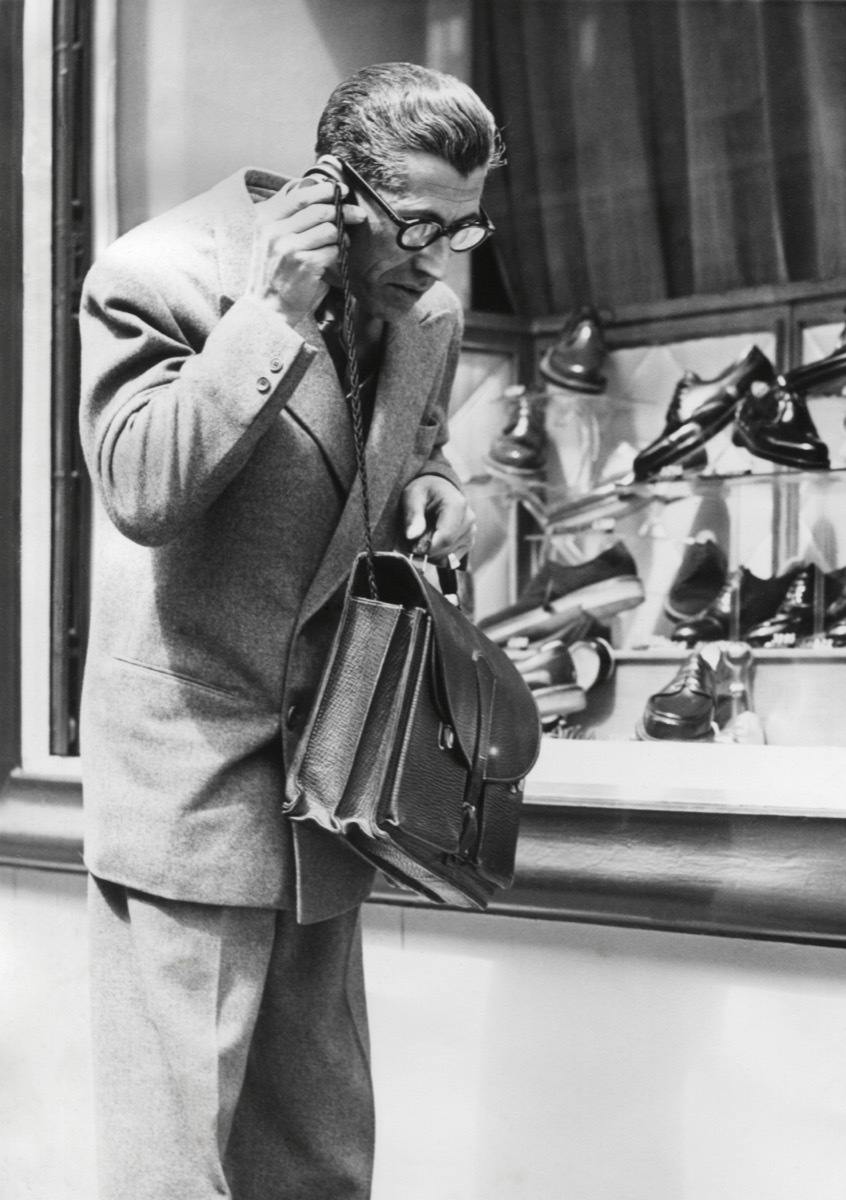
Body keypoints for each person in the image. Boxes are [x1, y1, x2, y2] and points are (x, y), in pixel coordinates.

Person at [78, 61, 503, 1199]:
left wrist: (438, 487)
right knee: (173, 1172)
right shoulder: (159, 273)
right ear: (333, 190)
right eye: (416, 224)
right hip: (191, 789)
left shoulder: (426, 313)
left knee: (319, 1159)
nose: (435, 258)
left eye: (462, 229)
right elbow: (142, 489)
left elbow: (412, 448)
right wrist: (268, 317)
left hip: (336, 783)